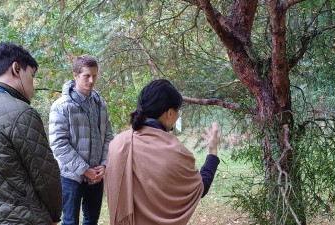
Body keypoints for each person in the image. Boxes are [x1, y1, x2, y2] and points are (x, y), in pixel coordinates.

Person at [105, 79, 220, 225]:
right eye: (178, 111)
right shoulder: (176, 152)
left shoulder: (117, 144)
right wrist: (212, 152)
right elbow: (199, 189)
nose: (178, 115)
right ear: (170, 113)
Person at [0, 42, 62, 224]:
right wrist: (55, 214)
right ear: (16, 68)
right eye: (31, 75)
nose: (32, 84)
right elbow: (46, 176)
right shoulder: (21, 112)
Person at [48, 54, 114, 225]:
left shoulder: (100, 104)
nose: (92, 80)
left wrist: (104, 164)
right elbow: (59, 145)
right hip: (71, 177)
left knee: (92, 220)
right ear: (75, 75)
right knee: (70, 222)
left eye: (95, 75)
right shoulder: (62, 106)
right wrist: (85, 170)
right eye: (87, 76)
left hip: (96, 177)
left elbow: (108, 136)